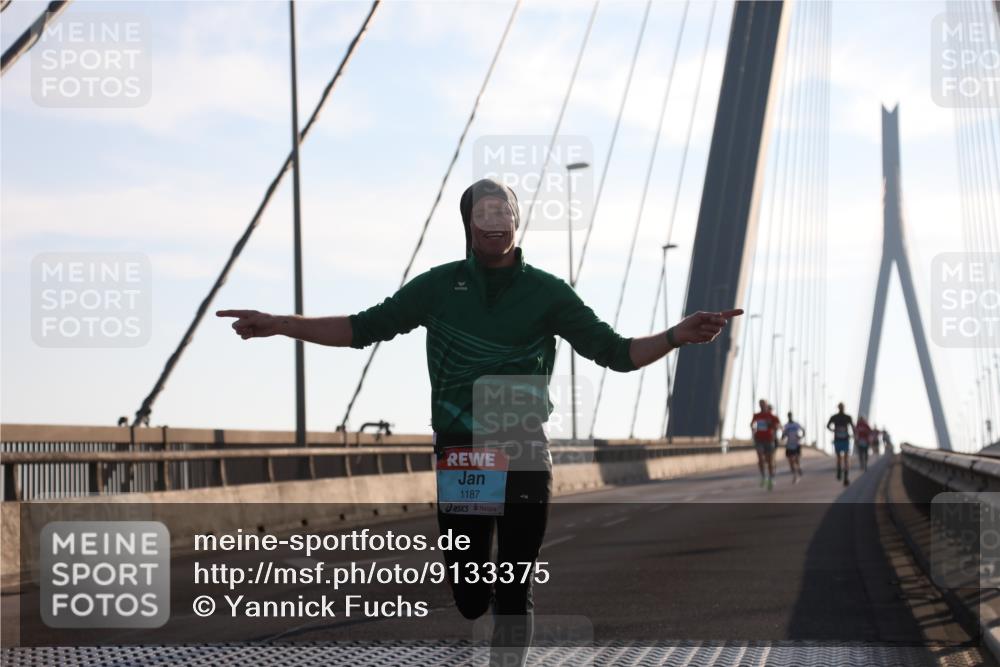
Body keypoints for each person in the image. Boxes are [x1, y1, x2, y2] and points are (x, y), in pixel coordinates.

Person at [216, 177, 742, 667]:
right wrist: (281, 324)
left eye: (503, 212)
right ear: (468, 223)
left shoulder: (548, 292)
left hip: (524, 448)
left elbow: (616, 353)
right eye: (483, 213)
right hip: (463, 451)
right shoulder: (438, 287)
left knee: (514, 585)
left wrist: (675, 335)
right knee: (470, 596)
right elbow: (362, 328)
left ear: (517, 221)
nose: (495, 222)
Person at [751, 399, 782, 490]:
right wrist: (753, 431)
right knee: (760, 459)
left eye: (763, 404)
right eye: (760, 404)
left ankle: (771, 479)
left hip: (769, 440)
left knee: (770, 461)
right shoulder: (756, 415)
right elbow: (752, 424)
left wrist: (772, 426)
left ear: (766, 405)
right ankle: (763, 477)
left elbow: (779, 426)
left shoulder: (772, 416)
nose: (762, 406)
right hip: (759, 440)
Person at [827, 403, 855, 486]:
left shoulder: (835, 417)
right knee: (844, 458)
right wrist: (853, 435)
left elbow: (828, 426)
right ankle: (844, 475)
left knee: (841, 458)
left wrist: (833, 430)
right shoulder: (847, 417)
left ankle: (841, 473)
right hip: (843, 439)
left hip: (840, 439)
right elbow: (853, 427)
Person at [781, 412, 804, 483]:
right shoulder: (786, 425)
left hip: (796, 444)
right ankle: (795, 476)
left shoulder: (796, 424)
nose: (790, 417)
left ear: (792, 416)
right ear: (787, 416)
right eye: (789, 416)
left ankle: (799, 468)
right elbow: (783, 435)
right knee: (791, 461)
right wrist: (783, 436)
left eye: (790, 416)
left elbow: (803, 430)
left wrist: (801, 436)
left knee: (796, 460)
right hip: (789, 445)